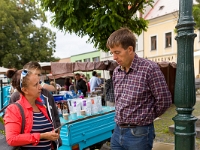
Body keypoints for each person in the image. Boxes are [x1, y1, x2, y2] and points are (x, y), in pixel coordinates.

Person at [106, 28, 172, 150]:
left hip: (139, 133)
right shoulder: (117, 72)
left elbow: (165, 100)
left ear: (130, 49)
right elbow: (119, 100)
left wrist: (146, 117)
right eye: (112, 53)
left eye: (117, 52)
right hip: (117, 131)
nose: (114, 57)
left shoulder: (149, 68)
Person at [8, 61, 62, 148]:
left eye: (39, 75)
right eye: (35, 84)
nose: (40, 86)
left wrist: (55, 130)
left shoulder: (41, 105)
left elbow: (54, 117)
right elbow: (12, 139)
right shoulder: (14, 106)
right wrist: (41, 136)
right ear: (25, 90)